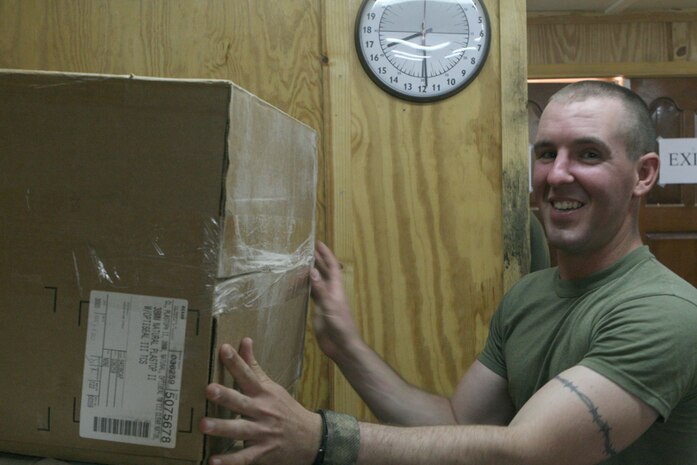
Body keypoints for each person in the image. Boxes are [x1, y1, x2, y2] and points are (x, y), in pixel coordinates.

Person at [198, 81, 697, 465]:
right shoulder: (529, 297)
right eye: (547, 153)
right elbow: (456, 423)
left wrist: (320, 439)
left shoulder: (663, 313)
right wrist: (344, 346)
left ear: (644, 174)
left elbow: (527, 452)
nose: (557, 174)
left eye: (589, 154)